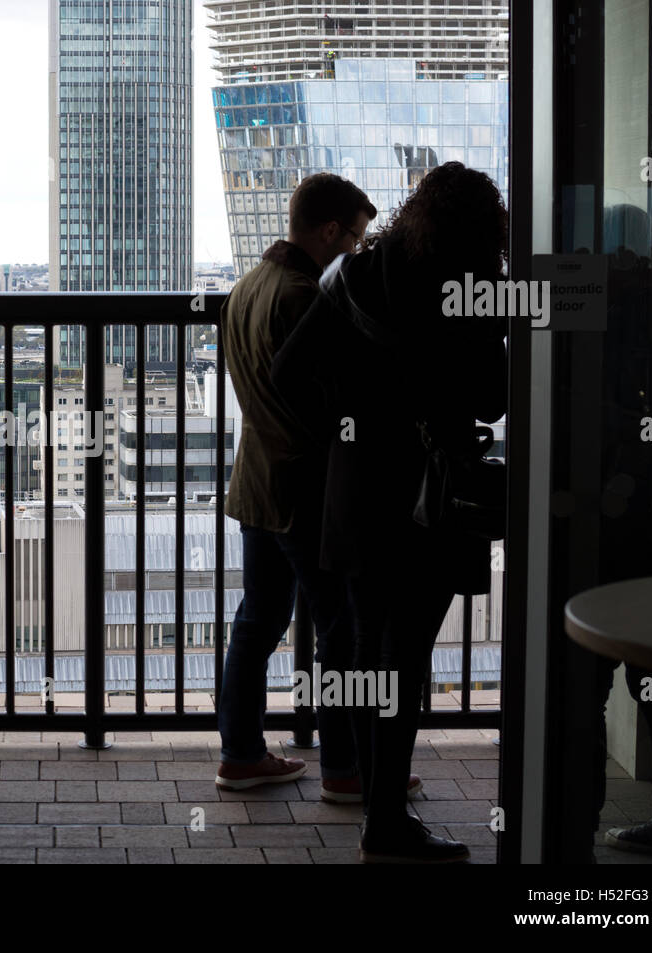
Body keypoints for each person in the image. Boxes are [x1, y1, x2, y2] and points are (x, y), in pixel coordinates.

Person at [272, 162, 508, 861]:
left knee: (366, 651)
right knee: (405, 658)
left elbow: (288, 372)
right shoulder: (474, 289)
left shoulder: (354, 275)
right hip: (434, 499)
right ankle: (387, 822)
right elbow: (493, 399)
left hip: (357, 489)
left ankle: (378, 812)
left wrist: (343, 431)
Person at [216, 173, 380, 791]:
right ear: (330, 230)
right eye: (357, 239)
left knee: (258, 619)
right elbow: (330, 399)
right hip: (307, 488)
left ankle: (241, 753)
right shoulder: (305, 297)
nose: (359, 251)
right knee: (341, 629)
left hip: (257, 479)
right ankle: (347, 766)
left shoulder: (246, 288)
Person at [578, 204, 652, 861]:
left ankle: (575, 819)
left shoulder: (607, 322)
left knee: (585, 684)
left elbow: (598, 424)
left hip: (615, 524)